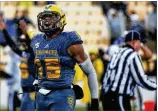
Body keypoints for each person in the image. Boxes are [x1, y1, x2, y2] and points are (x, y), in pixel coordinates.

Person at [31, 4, 99, 111]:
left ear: (61, 20)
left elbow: (90, 71)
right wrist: (36, 80)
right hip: (41, 95)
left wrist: (94, 100)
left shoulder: (69, 40)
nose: (46, 21)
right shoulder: (37, 40)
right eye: (44, 17)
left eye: (51, 17)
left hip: (62, 94)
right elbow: (39, 64)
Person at [101, 30, 157, 111]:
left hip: (106, 97)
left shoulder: (117, 52)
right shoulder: (133, 55)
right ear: (134, 42)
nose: (139, 47)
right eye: (139, 43)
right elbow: (141, 80)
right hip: (119, 96)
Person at [0, 19, 36, 111]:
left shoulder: (34, 55)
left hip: (33, 92)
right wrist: (4, 31)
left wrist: (25, 32)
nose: (22, 43)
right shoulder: (24, 54)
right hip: (24, 92)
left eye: (25, 41)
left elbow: (30, 44)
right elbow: (12, 45)